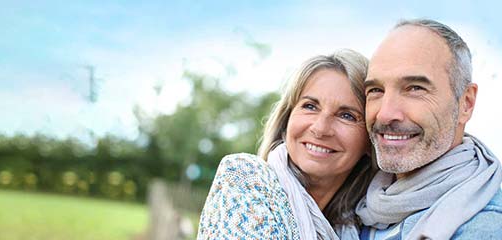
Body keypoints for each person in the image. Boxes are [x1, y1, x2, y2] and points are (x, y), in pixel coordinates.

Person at [197, 49, 376, 239]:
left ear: (370, 139)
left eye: (346, 115)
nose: (320, 128)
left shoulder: (364, 227)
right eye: (310, 106)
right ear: (287, 119)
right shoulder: (245, 177)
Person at [355, 19, 502, 239]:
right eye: (376, 90)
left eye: (415, 88)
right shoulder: (356, 206)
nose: (385, 113)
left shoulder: (486, 228)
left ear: (466, 103)